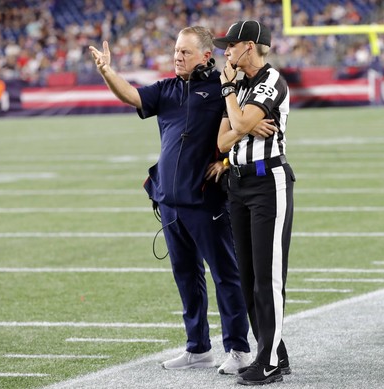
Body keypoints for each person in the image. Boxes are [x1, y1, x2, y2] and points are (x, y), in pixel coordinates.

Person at [89, 26, 252, 375]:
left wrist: (225, 161)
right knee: (185, 275)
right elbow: (132, 96)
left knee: (226, 275)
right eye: (176, 51)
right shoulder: (166, 89)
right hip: (170, 201)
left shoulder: (223, 88)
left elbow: (245, 127)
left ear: (206, 56)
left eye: (185, 52)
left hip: (207, 201)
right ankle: (198, 347)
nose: (177, 56)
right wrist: (107, 71)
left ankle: (238, 347)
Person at [213, 20, 295, 386]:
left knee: (267, 277)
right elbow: (222, 140)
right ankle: (274, 352)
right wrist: (243, 122)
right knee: (247, 278)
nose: (224, 52)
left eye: (229, 46)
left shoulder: (271, 80)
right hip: (238, 183)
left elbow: (242, 122)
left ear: (248, 46)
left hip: (267, 182)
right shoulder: (241, 86)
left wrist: (236, 107)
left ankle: (268, 360)